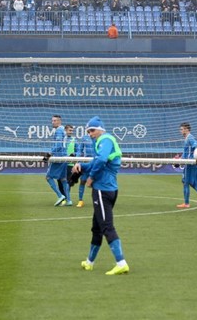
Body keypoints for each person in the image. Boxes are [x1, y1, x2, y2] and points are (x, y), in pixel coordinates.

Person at [73, 116, 129, 275]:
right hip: (107, 189)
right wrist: (81, 167)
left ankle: (121, 262)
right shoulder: (103, 141)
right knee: (96, 227)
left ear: (100, 129)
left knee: (106, 227)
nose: (89, 133)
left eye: (92, 130)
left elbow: (101, 160)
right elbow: (96, 161)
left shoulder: (105, 139)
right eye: (88, 131)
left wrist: (90, 177)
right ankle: (89, 262)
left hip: (102, 190)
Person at [176, 122, 197, 209]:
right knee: (194, 182)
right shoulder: (188, 138)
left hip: (190, 163)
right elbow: (187, 151)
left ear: (186, 129)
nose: (180, 131)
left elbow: (196, 146)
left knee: (185, 182)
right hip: (192, 162)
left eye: (181, 129)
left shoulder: (190, 138)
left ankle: (186, 203)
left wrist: (191, 158)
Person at [43, 115, 69, 206]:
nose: (52, 122)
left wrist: (50, 154)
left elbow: (58, 145)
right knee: (63, 179)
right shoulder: (63, 130)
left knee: (48, 177)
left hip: (58, 157)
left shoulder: (58, 130)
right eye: (52, 120)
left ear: (59, 121)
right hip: (64, 156)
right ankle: (69, 200)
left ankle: (60, 196)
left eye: (54, 121)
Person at [74, 131, 94, 208]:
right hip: (86, 162)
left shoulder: (98, 138)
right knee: (82, 181)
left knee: (95, 182)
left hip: (95, 162)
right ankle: (80, 200)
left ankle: (97, 199)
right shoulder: (84, 138)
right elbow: (80, 150)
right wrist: (78, 161)